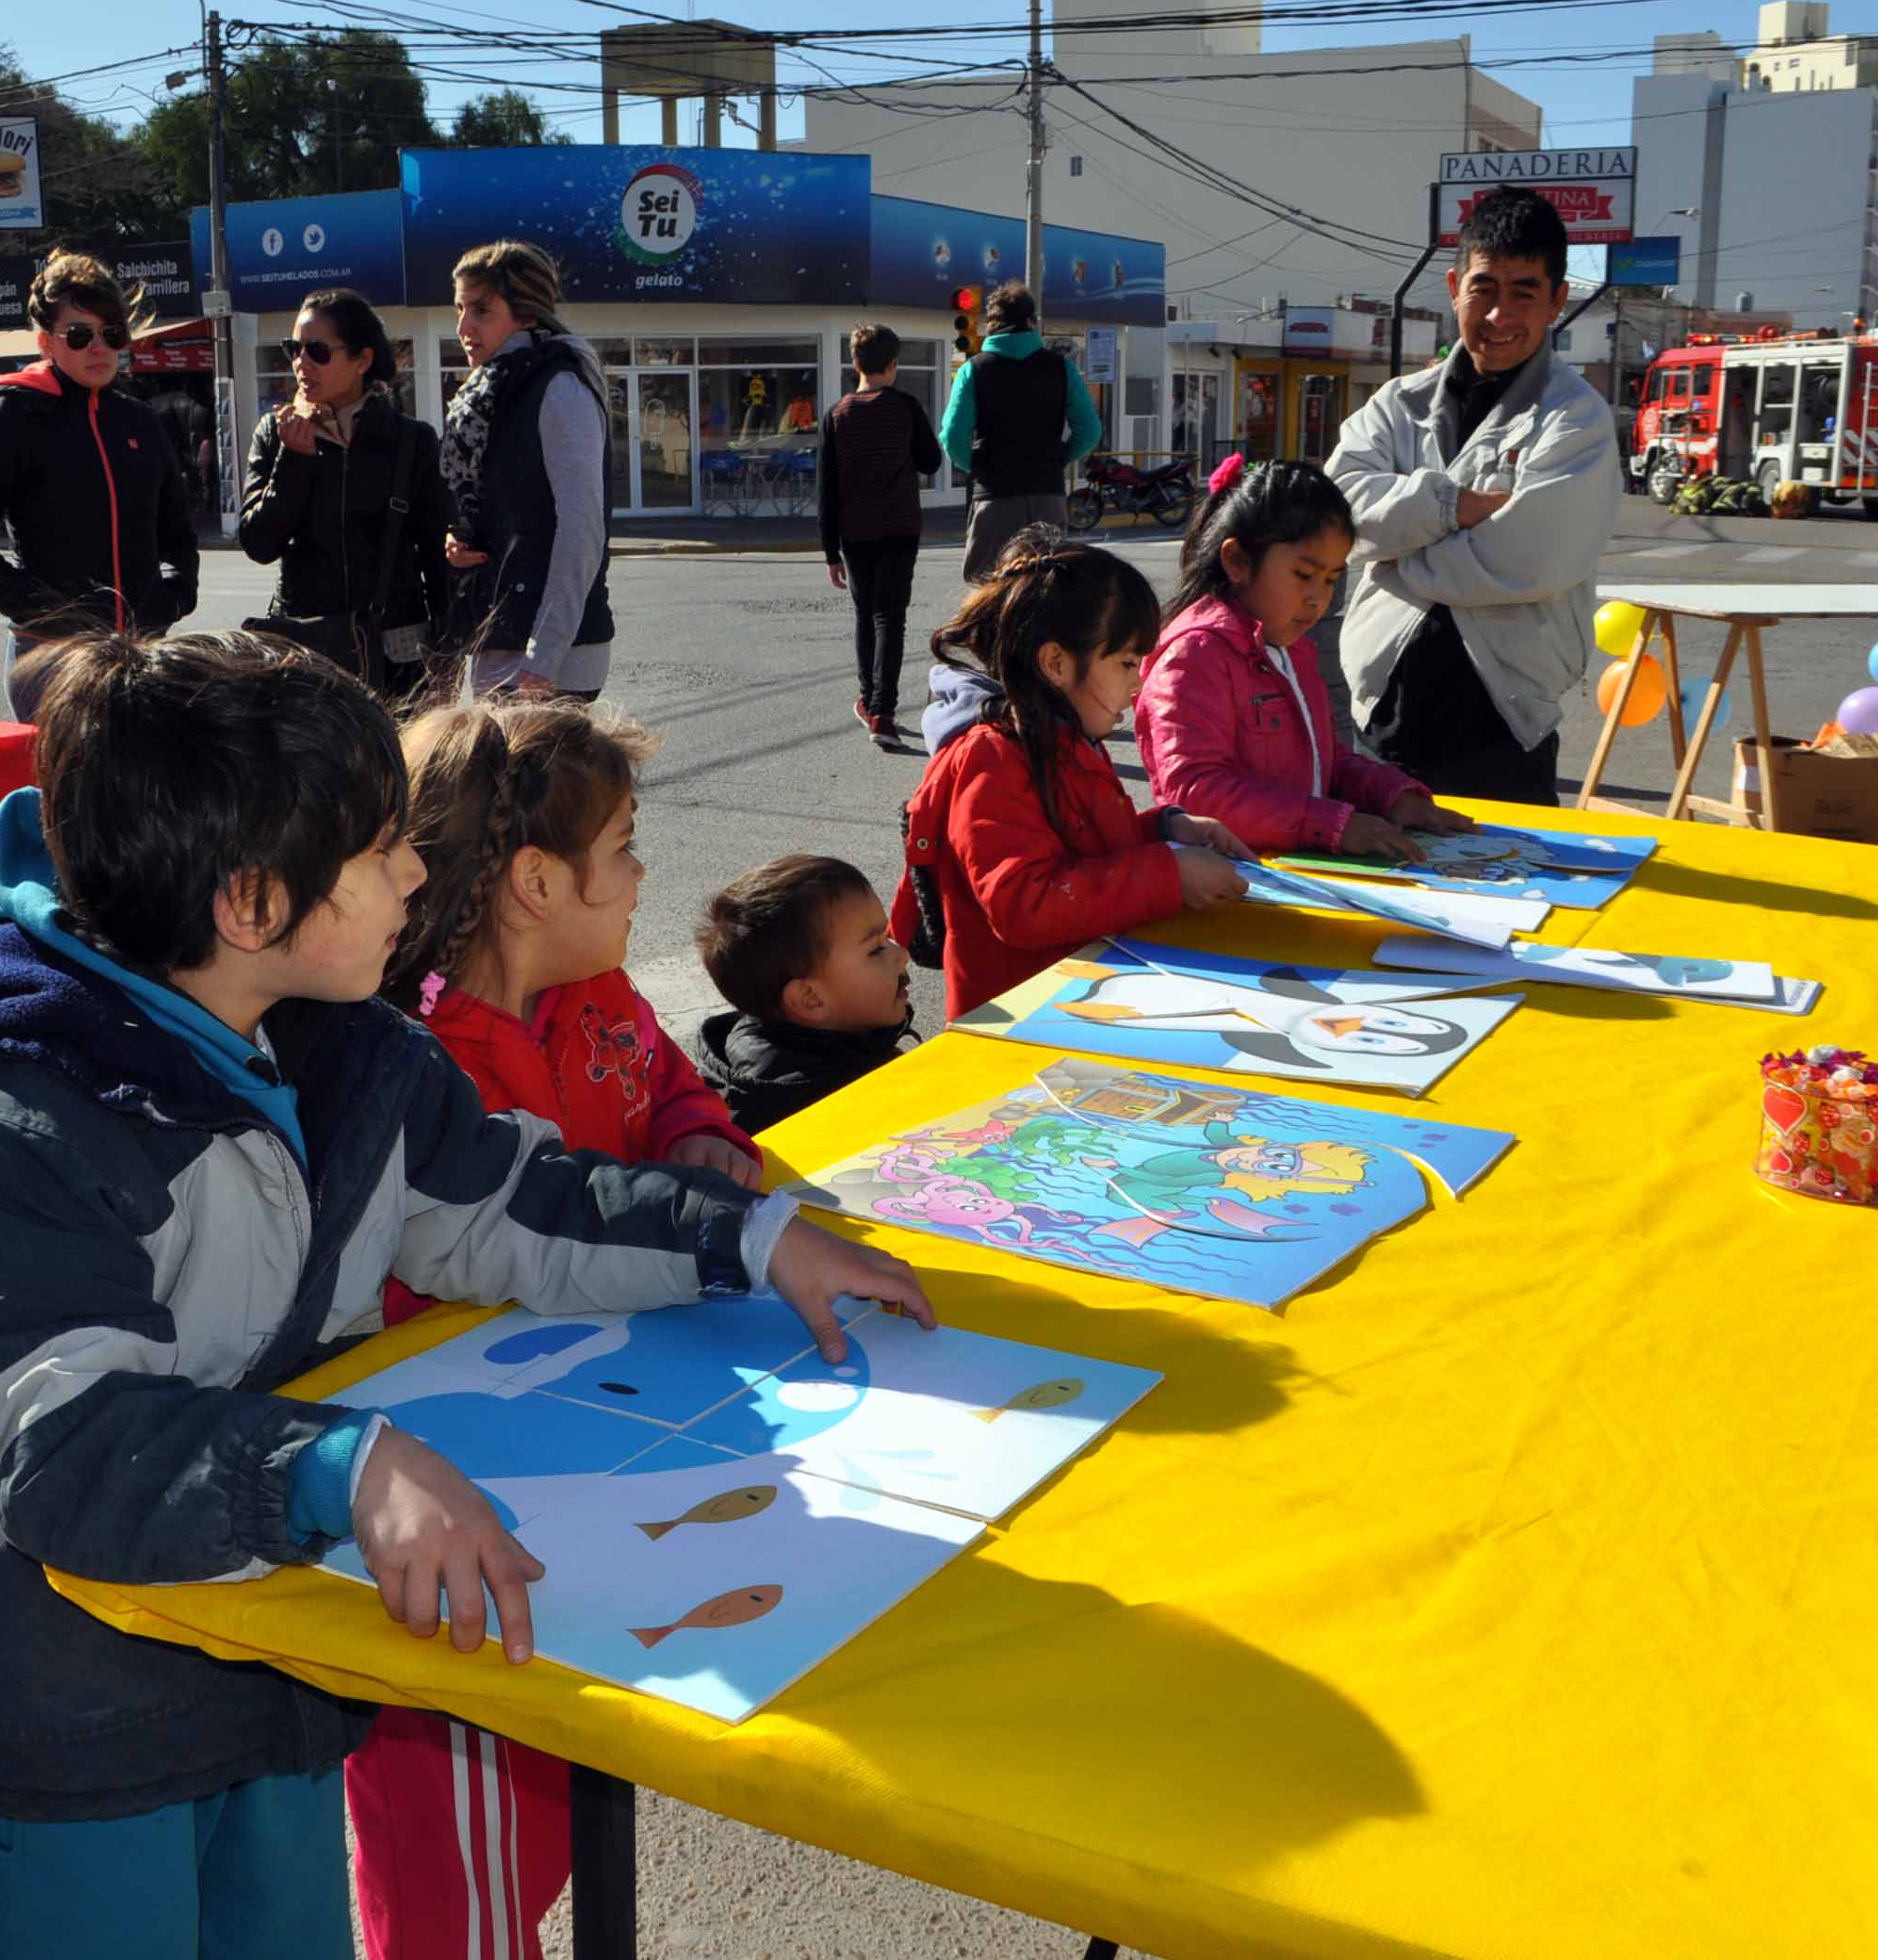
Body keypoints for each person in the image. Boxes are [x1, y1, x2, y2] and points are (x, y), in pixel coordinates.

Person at [0, 625, 927, 1960]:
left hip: (279, 1659)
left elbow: (517, 1204)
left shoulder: (352, 1054)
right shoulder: (25, 1134)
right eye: (382, 850)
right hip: (81, 1702)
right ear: (255, 907)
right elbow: (59, 1439)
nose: (419, 872)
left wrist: (750, 1240)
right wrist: (340, 1467)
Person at [349, 696, 761, 1960]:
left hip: (595, 1476)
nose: (644, 874)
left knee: (538, 1836)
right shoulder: (410, 1061)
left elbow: (669, 1084)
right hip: (468, 1520)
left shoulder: (598, 992)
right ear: (536, 880)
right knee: (457, 1895)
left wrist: (700, 1132)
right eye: (627, 844)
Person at [1326, 185, 1624, 806]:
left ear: (1557, 301)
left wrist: (1394, 553)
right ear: (1456, 285)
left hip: (1503, 732)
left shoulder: (1575, 419)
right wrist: (1449, 508)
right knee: (1380, 901)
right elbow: (1338, 512)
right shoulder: (1396, 406)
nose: (1499, 315)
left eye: (1524, 293)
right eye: (1485, 288)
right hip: (1383, 718)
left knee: (1511, 896)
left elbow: (1530, 560)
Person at [892, 532, 1253, 1019]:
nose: (1138, 680)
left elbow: (1084, 848)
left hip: (1084, 1001)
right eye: (1126, 662)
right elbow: (1024, 903)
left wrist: (1166, 828)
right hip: (1019, 1024)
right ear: (1056, 664)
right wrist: (1171, 873)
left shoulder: (1072, 742)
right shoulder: (991, 758)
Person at [1135, 456, 1470, 857]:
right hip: (1230, 881)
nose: (1318, 599)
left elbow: (1326, 760)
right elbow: (1195, 791)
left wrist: (1394, 796)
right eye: (1304, 575)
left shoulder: (1292, 648)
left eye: (1331, 579)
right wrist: (1331, 826)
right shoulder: (1194, 656)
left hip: (1294, 865)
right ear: (1238, 562)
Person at [0, 250, 201, 721]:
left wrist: (177, 592)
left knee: (142, 794)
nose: (99, 348)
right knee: (67, 795)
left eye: (111, 334)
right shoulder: (15, 416)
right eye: (79, 336)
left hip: (140, 654)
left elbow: (177, 529)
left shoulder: (139, 420)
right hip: (55, 660)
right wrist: (42, 612)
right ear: (47, 343)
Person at [238, 288, 453, 706]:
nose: (301, 362)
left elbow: (436, 556)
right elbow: (259, 544)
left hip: (398, 650)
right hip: (308, 644)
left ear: (362, 360)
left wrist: (446, 652)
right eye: (293, 348)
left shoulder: (411, 440)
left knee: (398, 767)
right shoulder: (275, 432)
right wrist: (294, 463)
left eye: (317, 350)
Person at [438, 240, 614, 702]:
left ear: (527, 313)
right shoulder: (496, 390)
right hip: (502, 633)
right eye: (459, 308)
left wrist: (544, 657)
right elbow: (512, 515)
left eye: (481, 309)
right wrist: (465, 544)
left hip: (550, 653)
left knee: (536, 777)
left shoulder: (559, 387)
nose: (464, 326)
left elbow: (582, 529)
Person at [693, 854, 918, 1135]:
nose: (902, 956)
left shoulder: (850, 1041)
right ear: (810, 998)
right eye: (875, 950)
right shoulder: (811, 1112)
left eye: (887, 939)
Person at [819, 323, 944, 744]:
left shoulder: (837, 415)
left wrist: (829, 551)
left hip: (854, 533)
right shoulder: (906, 407)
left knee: (864, 615)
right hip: (900, 527)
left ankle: (868, 696)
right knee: (890, 617)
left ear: (854, 363)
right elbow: (931, 462)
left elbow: (827, 490)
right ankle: (882, 715)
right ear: (893, 364)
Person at [939, 281, 1103, 582]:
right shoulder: (1061, 368)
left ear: (992, 324)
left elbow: (952, 435)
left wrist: (977, 467)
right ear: (1031, 321)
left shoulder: (973, 369)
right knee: (1046, 588)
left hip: (994, 496)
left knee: (989, 589)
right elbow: (1090, 430)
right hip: (1047, 494)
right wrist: (1059, 458)